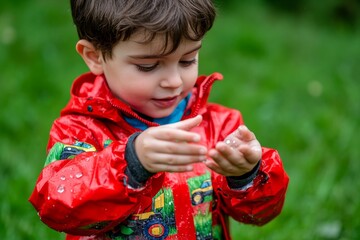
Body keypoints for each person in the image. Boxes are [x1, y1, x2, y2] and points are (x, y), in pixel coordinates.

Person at [29, 0, 289, 239]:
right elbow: (57, 207)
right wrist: (130, 162)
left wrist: (247, 176)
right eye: (148, 66)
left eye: (188, 60)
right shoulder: (81, 130)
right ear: (95, 56)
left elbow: (260, 214)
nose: (174, 81)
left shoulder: (218, 126)